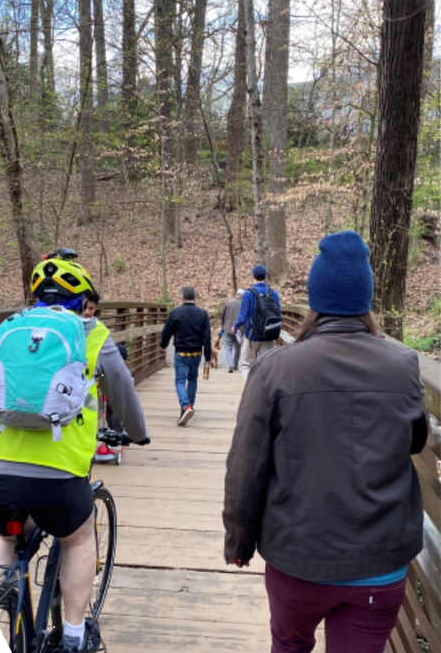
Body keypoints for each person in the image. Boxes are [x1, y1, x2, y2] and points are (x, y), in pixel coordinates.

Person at [223, 230, 429, 653]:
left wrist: (239, 540)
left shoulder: (277, 368)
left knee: (290, 643)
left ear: (315, 301)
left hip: (299, 559)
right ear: (365, 300)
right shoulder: (404, 365)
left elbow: (246, 464)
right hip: (379, 560)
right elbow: (416, 440)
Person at [0, 254, 150, 653]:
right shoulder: (91, 333)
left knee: (6, 535)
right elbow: (123, 391)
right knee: (77, 538)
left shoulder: (9, 329)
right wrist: (137, 434)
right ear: (83, 302)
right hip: (53, 475)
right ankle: (74, 638)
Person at [160, 286, 211, 426]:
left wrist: (163, 345)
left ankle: (185, 406)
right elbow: (207, 336)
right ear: (195, 297)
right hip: (196, 353)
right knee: (193, 379)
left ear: (182, 297)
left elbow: (167, 331)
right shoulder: (202, 314)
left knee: (180, 381)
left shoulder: (175, 312)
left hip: (181, 352)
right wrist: (208, 356)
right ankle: (189, 407)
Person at [232, 264, 281, 383]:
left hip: (252, 335)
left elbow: (242, 316)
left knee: (248, 365)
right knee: (266, 366)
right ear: (265, 276)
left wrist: (235, 326)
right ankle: (265, 393)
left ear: (253, 276)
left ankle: (250, 391)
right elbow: (278, 314)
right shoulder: (273, 293)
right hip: (268, 334)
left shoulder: (248, 293)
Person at [95, 342, 128, 462]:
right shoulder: (105, 369)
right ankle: (111, 436)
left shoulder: (123, 373)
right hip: (108, 396)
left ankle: (118, 438)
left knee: (116, 418)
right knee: (108, 417)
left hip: (119, 398)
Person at [221, 289, 243, 372]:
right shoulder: (244, 304)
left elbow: (223, 315)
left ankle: (230, 365)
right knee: (238, 348)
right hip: (239, 330)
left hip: (228, 328)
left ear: (236, 294)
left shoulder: (228, 302)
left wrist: (223, 326)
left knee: (228, 347)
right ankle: (235, 365)